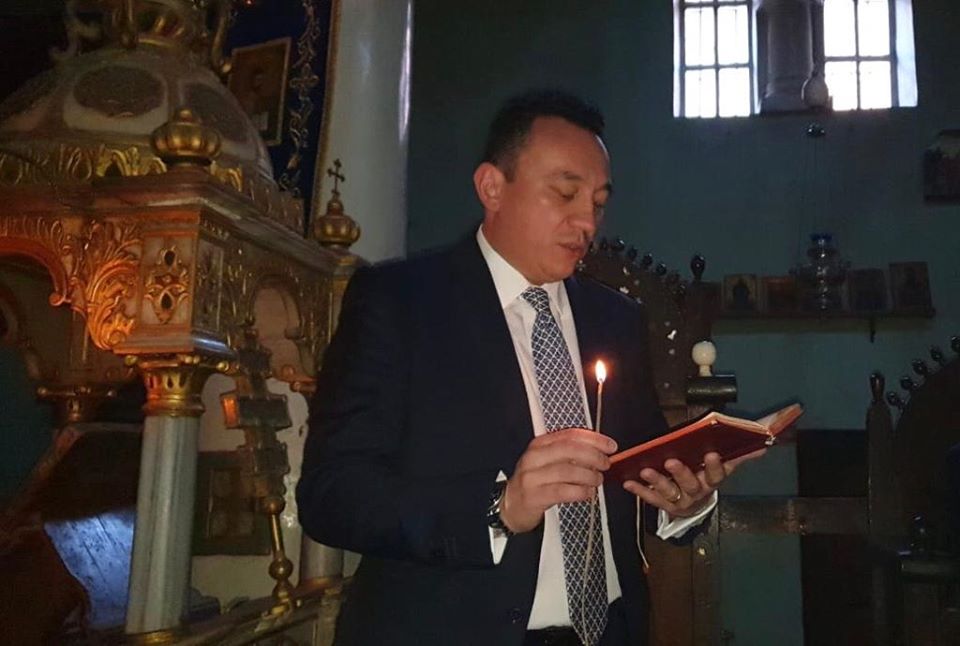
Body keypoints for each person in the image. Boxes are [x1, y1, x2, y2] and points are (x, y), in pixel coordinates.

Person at [297, 89, 762, 646]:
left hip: (609, 631)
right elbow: (331, 494)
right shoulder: (399, 302)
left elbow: (641, 466)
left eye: (598, 202)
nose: (586, 221)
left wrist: (684, 500)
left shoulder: (616, 319)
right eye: (565, 193)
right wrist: (498, 508)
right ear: (492, 187)